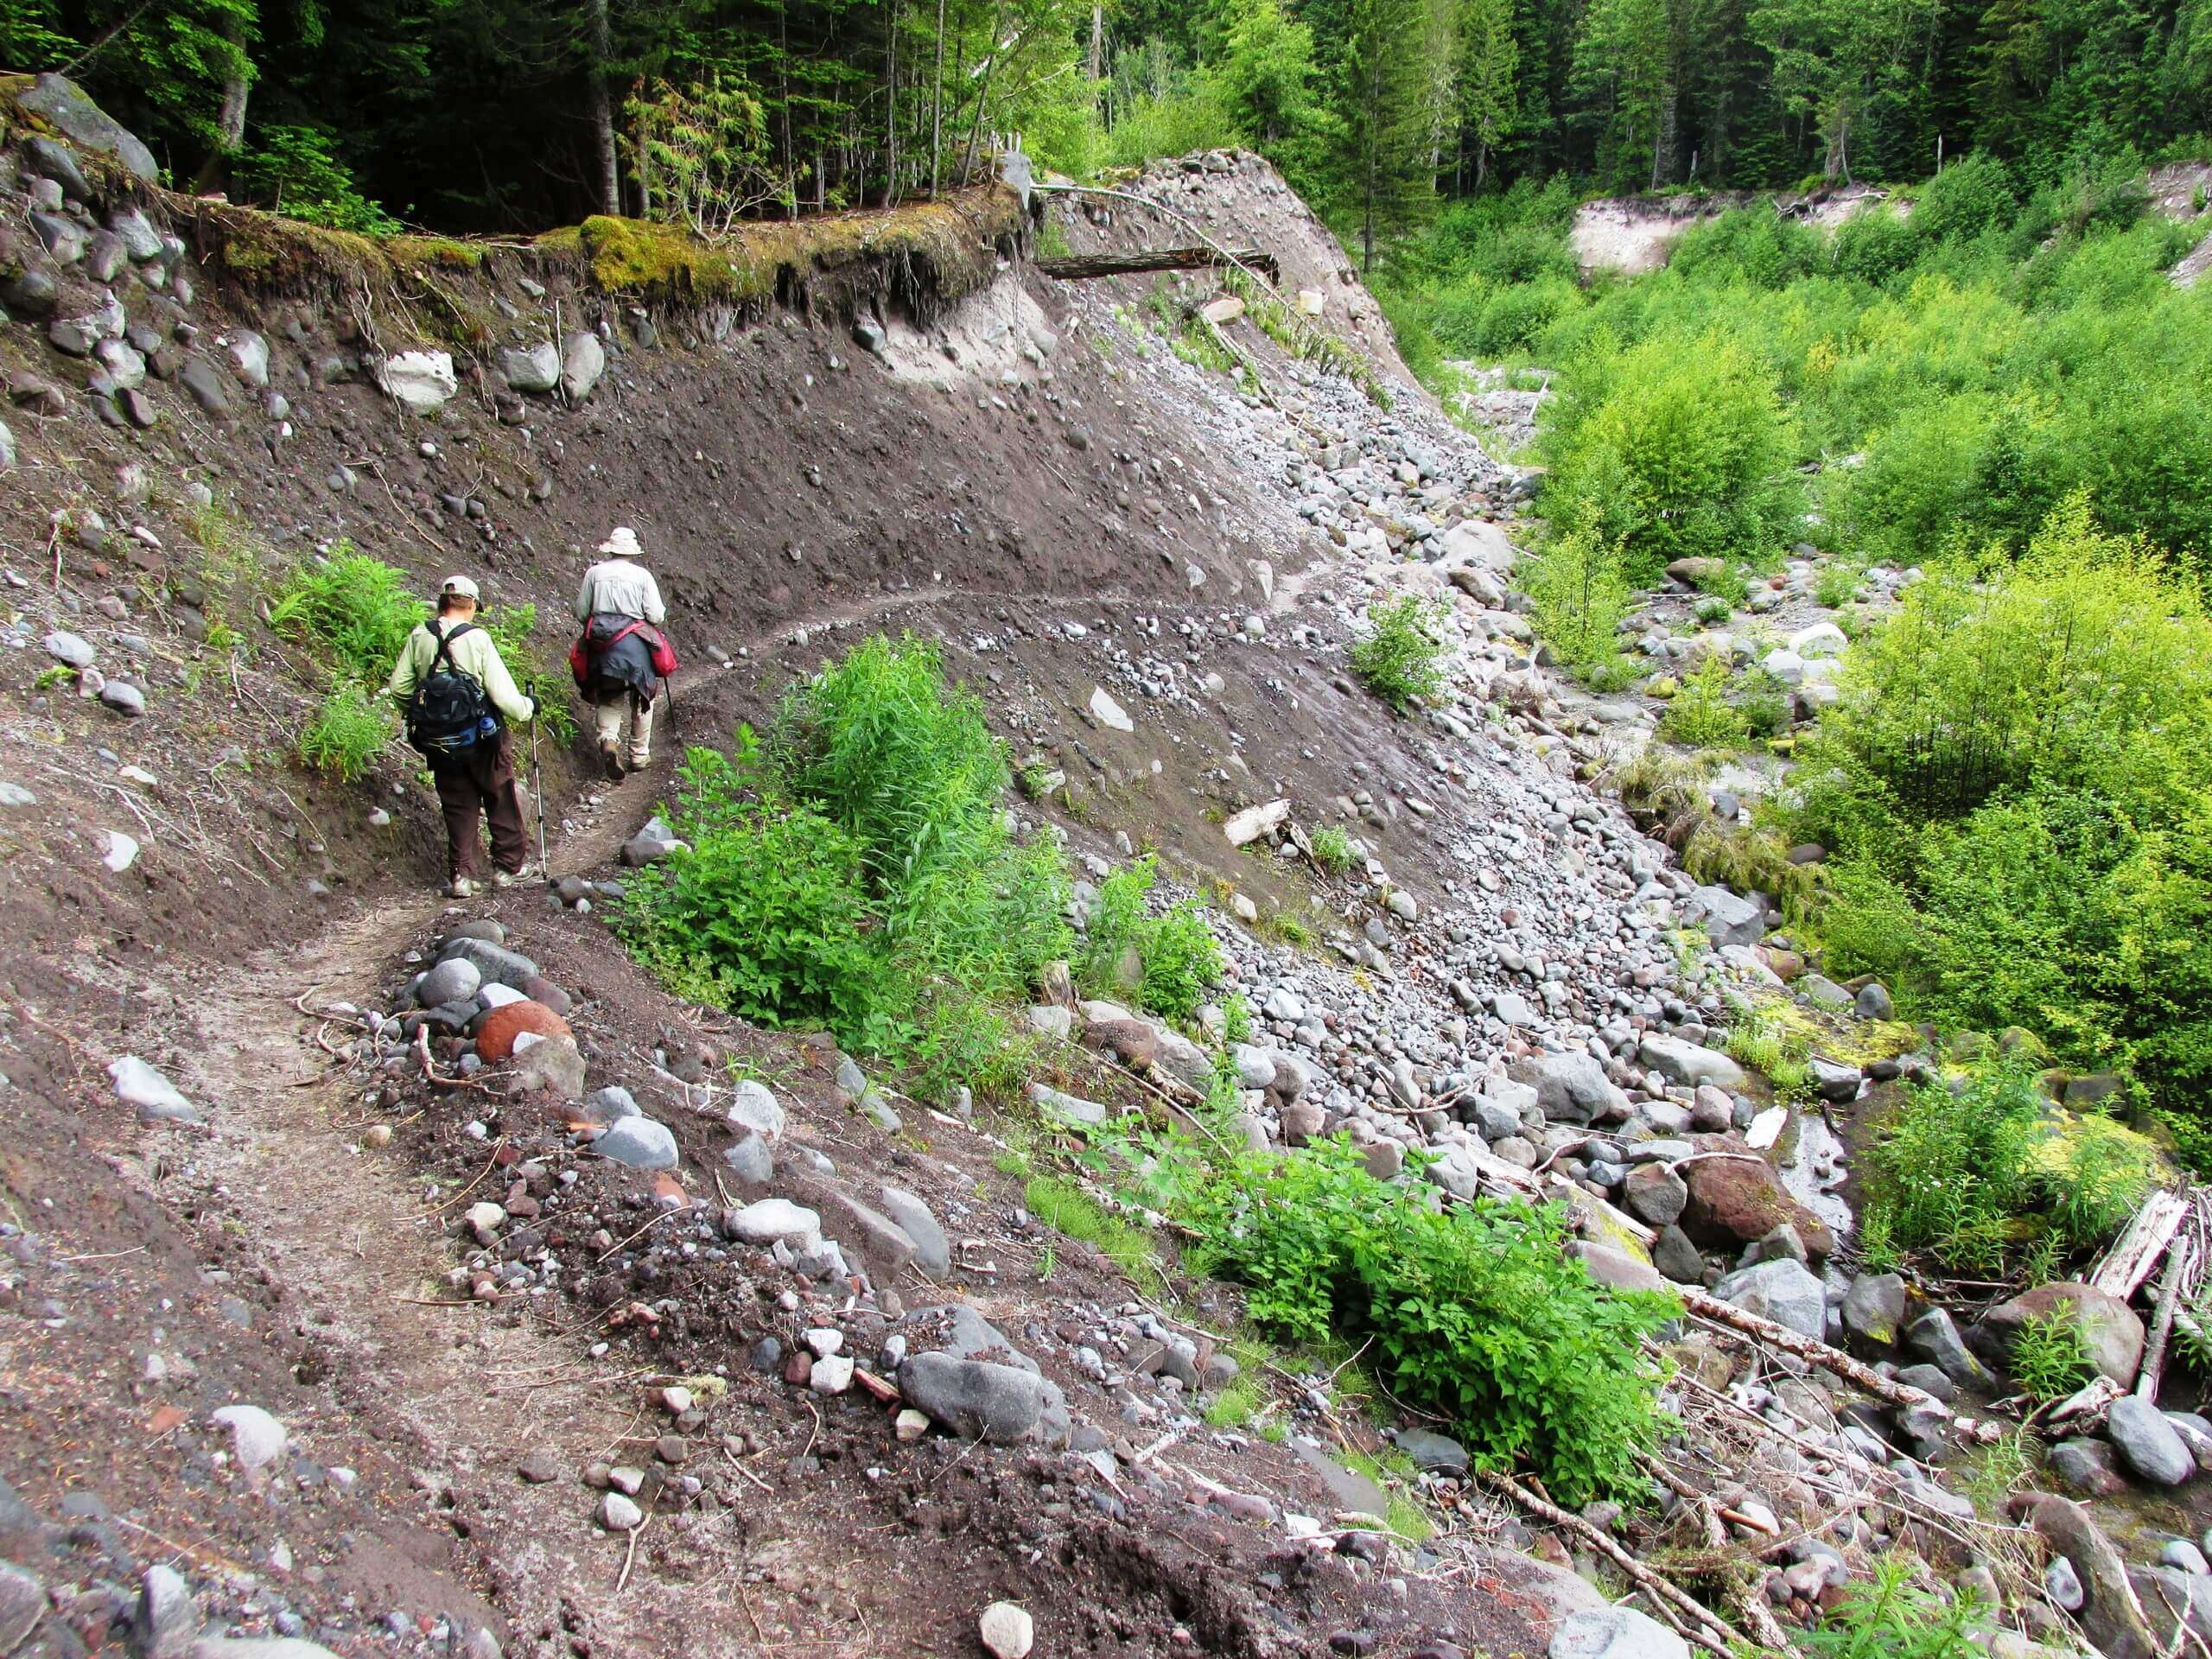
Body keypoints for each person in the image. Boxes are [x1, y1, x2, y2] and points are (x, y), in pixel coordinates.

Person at [387, 575, 537, 898]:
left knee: (457, 804)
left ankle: (460, 876)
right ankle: (509, 867)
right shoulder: (477, 638)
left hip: (440, 740)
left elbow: (398, 688)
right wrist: (528, 707)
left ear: (443, 602)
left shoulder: (420, 636)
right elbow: (504, 696)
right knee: (499, 793)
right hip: (482, 735)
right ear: (470, 605)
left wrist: (421, 713)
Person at [573, 526, 670, 781]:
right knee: (643, 695)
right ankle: (638, 755)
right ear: (632, 552)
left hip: (602, 646)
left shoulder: (594, 573)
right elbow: (656, 615)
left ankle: (608, 741)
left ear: (611, 549)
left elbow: (582, 612)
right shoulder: (642, 576)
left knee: (609, 696)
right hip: (635, 645)